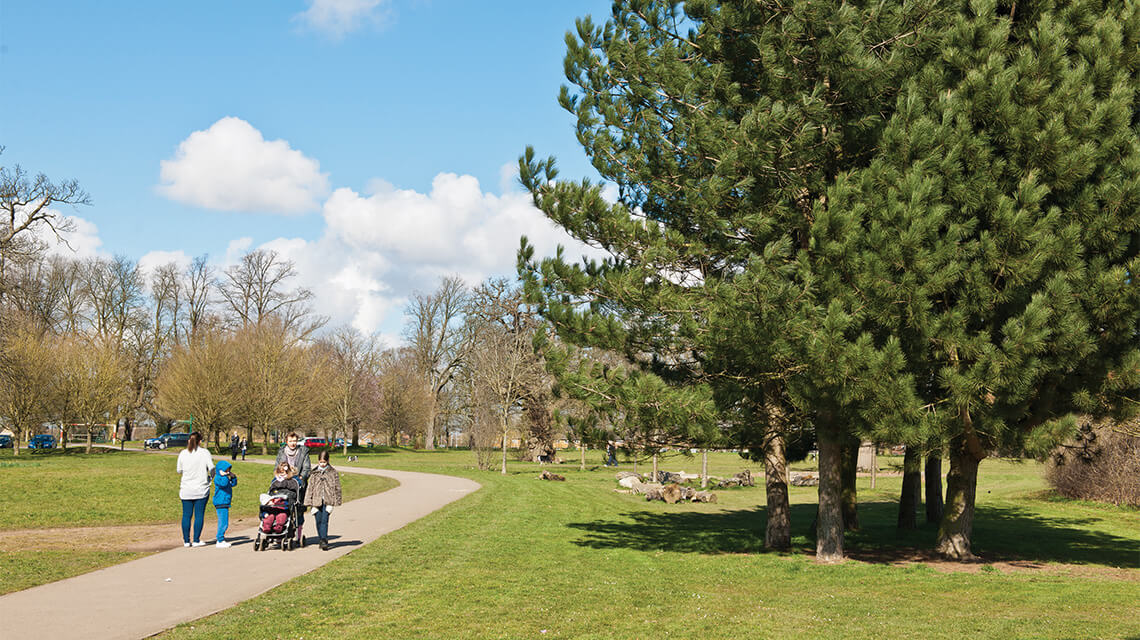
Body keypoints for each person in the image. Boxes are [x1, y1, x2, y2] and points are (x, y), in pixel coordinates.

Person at [176, 432, 213, 547]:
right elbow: (212, 468)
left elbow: (179, 470)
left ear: (189, 440)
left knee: (186, 515)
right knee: (199, 515)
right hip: (201, 488)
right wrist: (210, 478)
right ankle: (196, 539)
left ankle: (186, 540)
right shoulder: (205, 453)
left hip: (186, 489)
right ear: (200, 441)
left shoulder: (183, 453)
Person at [304, 450, 343, 551]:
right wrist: (308, 502)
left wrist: (336, 501)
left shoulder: (333, 472)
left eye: (324, 462)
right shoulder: (314, 473)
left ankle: (324, 540)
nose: (322, 464)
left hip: (328, 500)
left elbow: (337, 487)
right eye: (320, 462)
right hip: (316, 501)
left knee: (325, 521)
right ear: (318, 461)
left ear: (328, 461)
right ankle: (320, 538)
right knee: (318, 521)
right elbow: (310, 488)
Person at [276, 433, 311, 542]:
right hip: (284, 485)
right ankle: (281, 532)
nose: (293, 443)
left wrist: (302, 476)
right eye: (291, 441)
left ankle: (298, 534)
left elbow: (307, 468)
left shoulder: (303, 452)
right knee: (283, 508)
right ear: (286, 441)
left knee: (298, 510)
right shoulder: (281, 452)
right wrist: (278, 474)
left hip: (298, 485)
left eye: (295, 441)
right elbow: (277, 466)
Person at [212, 460, 238, 548]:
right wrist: (225, 475)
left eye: (228, 470)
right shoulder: (218, 478)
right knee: (223, 523)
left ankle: (221, 539)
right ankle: (220, 540)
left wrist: (233, 477)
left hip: (225, 502)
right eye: (225, 470)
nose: (227, 472)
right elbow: (223, 484)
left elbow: (232, 484)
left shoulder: (225, 478)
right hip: (220, 502)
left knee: (224, 522)